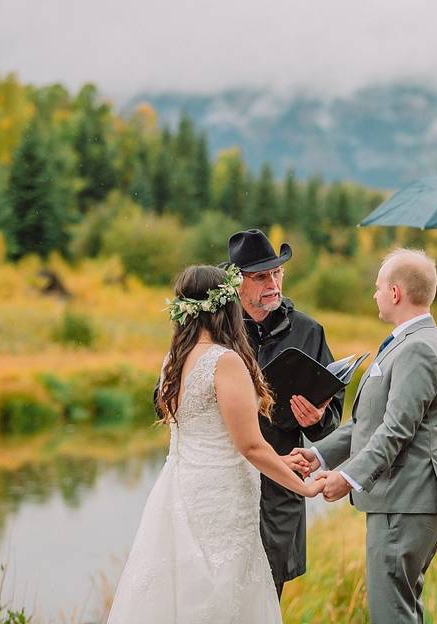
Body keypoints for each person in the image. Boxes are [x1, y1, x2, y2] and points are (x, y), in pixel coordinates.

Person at [109, 265, 323, 623]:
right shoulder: (225, 362)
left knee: (180, 591)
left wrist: (282, 461)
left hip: (181, 489)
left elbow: (210, 435)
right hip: (222, 500)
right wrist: (304, 487)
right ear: (225, 306)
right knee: (222, 596)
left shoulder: (173, 361)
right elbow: (249, 446)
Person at [155, 229, 342, 597]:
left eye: (277, 273)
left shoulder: (308, 330)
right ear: (236, 283)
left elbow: (332, 412)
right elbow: (168, 399)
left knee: (264, 597)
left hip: (278, 490)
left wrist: (318, 419)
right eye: (261, 276)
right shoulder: (211, 330)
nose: (273, 283)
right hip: (218, 488)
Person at [293, 248, 437, 624]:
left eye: (379, 286)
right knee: (401, 609)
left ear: (396, 293)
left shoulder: (417, 349)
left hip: (407, 500)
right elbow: (369, 421)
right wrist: (318, 455)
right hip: (402, 499)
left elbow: (396, 430)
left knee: (391, 613)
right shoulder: (409, 341)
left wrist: (348, 478)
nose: (374, 294)